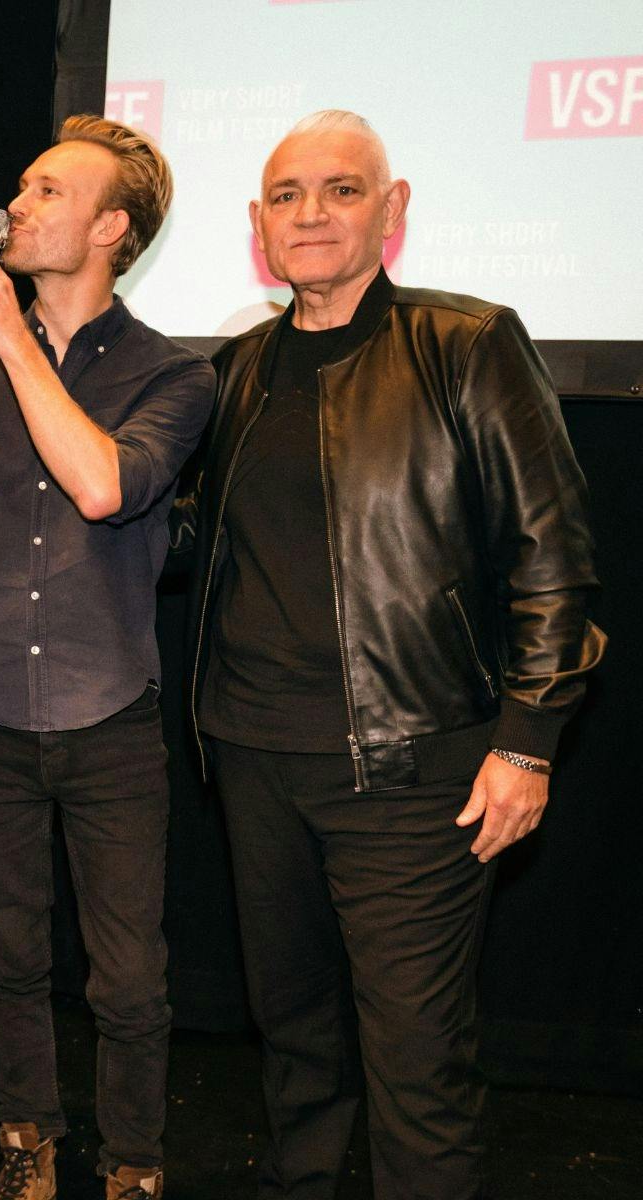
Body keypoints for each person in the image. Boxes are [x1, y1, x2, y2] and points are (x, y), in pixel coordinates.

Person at [180, 110, 605, 1199]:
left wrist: (528, 741)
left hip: (414, 775)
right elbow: (175, 539)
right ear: (256, 227)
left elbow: (550, 556)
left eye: (340, 190)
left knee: (416, 1069)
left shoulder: (464, 343)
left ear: (392, 209)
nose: (310, 214)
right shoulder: (232, 371)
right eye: (286, 196)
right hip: (254, 760)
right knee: (296, 1050)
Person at [0, 115, 214, 1200]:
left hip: (109, 717)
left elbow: (103, 488)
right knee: (9, 951)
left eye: (45, 193)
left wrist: (12, 349)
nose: (16, 206)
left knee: (128, 978)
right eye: (17, 188)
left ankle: (133, 1164)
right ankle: (25, 1140)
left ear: (111, 227)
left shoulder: (173, 376)